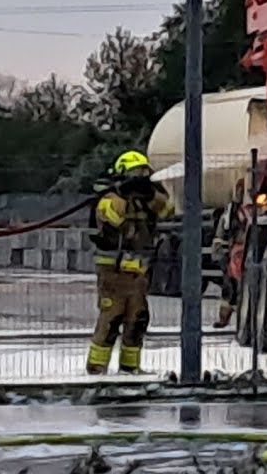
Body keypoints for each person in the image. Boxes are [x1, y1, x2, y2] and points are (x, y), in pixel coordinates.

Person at [86, 151, 174, 375]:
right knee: (111, 318)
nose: (140, 176)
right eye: (136, 173)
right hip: (113, 272)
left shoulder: (148, 198)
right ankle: (96, 369)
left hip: (137, 274)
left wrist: (149, 192)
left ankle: (130, 368)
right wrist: (124, 193)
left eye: (144, 172)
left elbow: (167, 210)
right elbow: (112, 218)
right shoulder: (109, 197)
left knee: (138, 319)